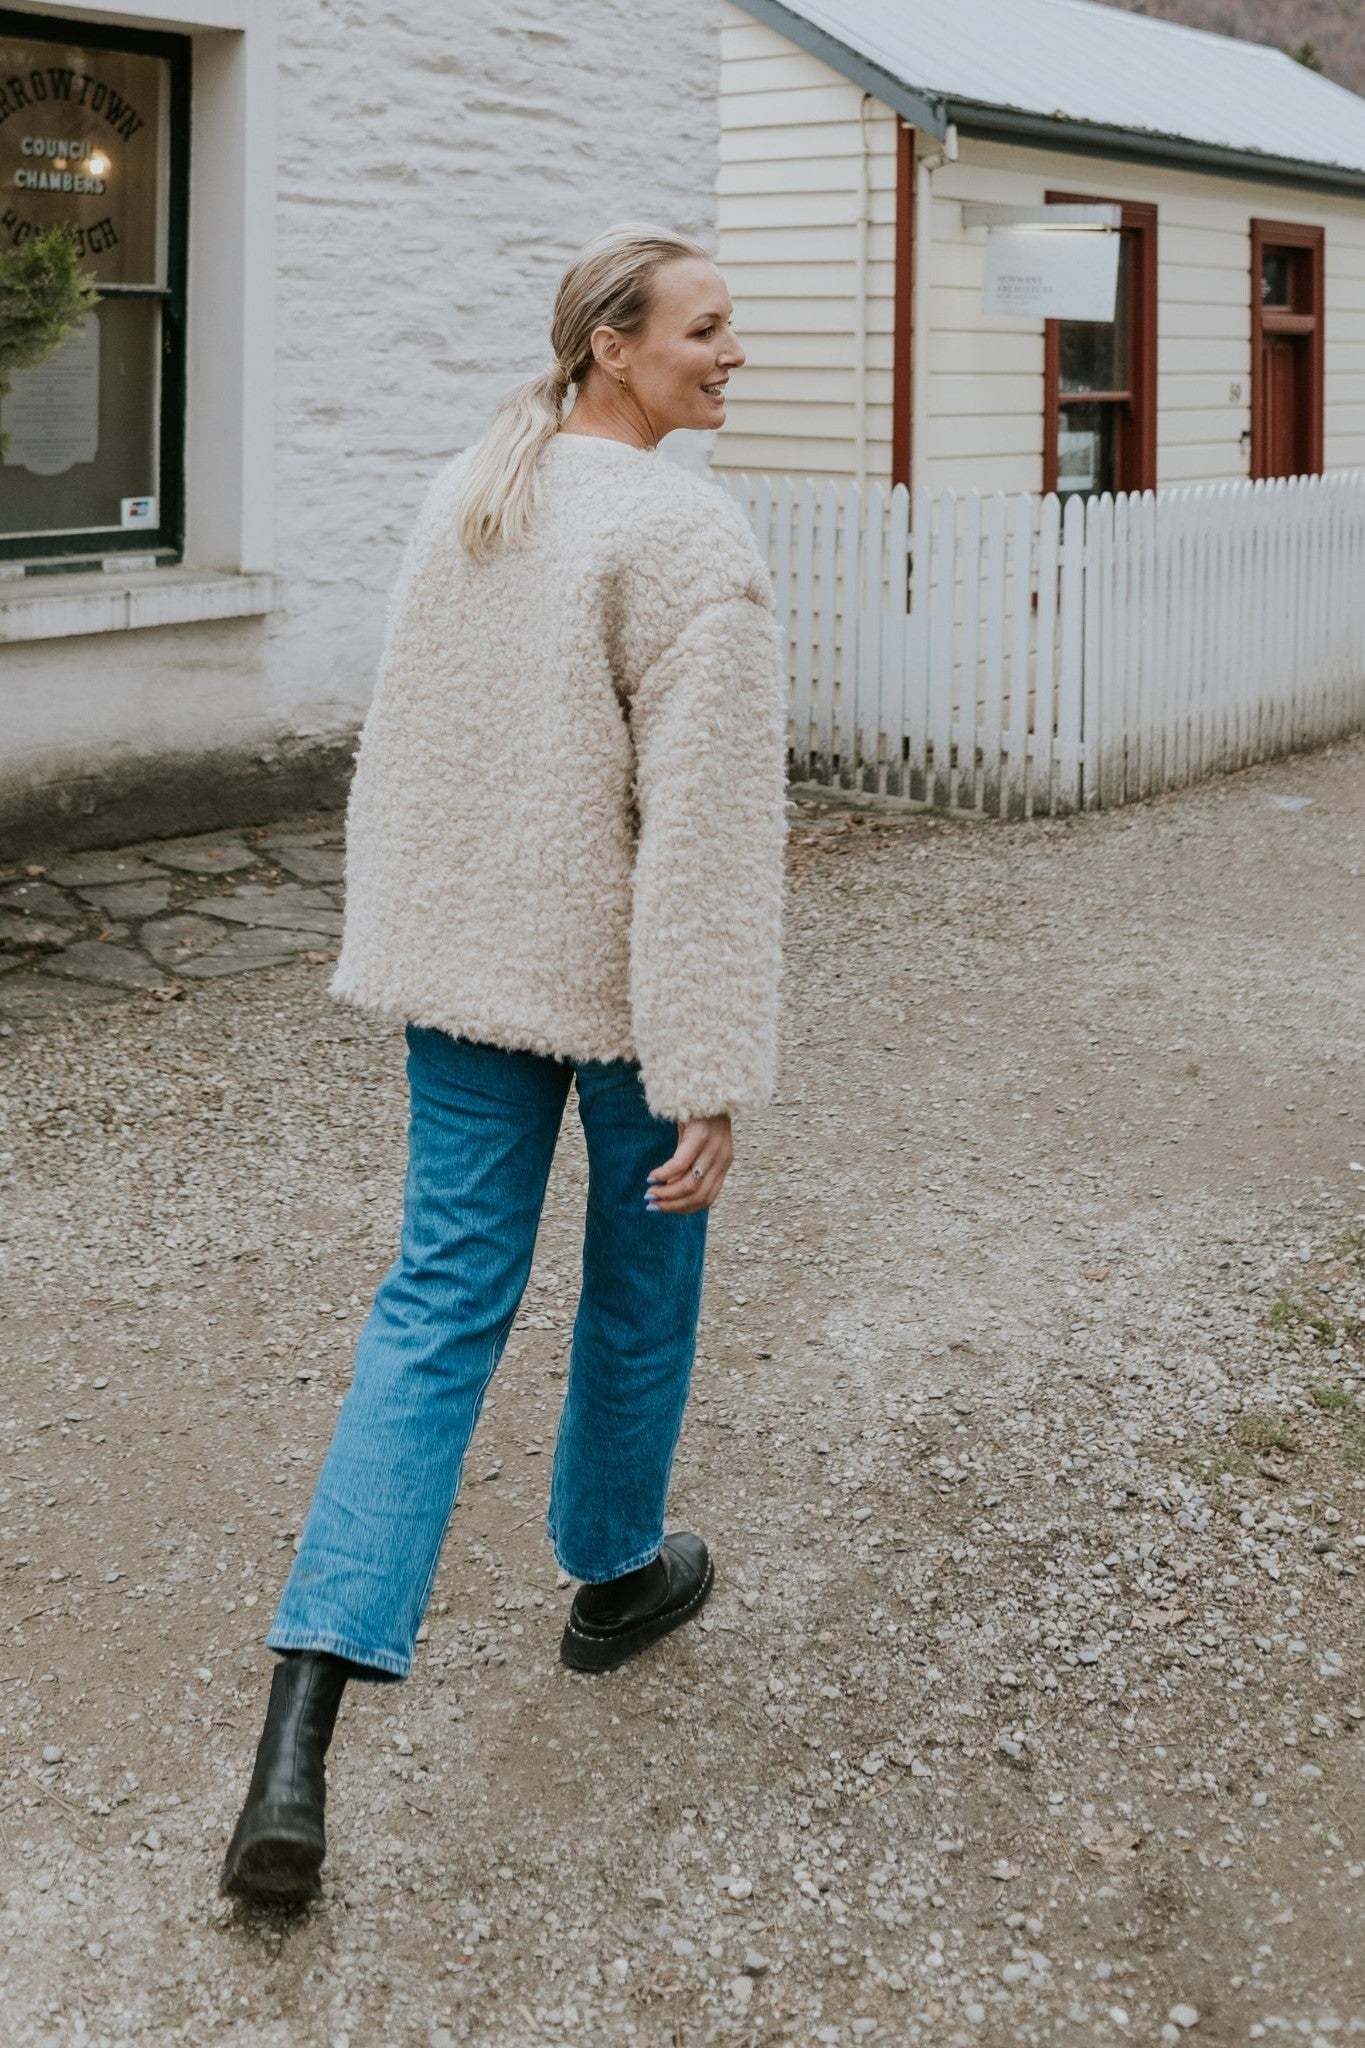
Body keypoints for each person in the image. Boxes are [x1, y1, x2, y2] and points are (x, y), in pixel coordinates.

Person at [220, 223, 787, 1904]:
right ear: (613, 343)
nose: (731, 352)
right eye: (704, 327)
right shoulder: (684, 534)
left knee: (435, 1302)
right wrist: (704, 1065)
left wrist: (422, 941)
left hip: (462, 976)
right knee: (641, 1280)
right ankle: (612, 1576)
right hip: (616, 994)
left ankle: (296, 1739)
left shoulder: (476, 487)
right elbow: (702, 838)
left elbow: (408, 759)